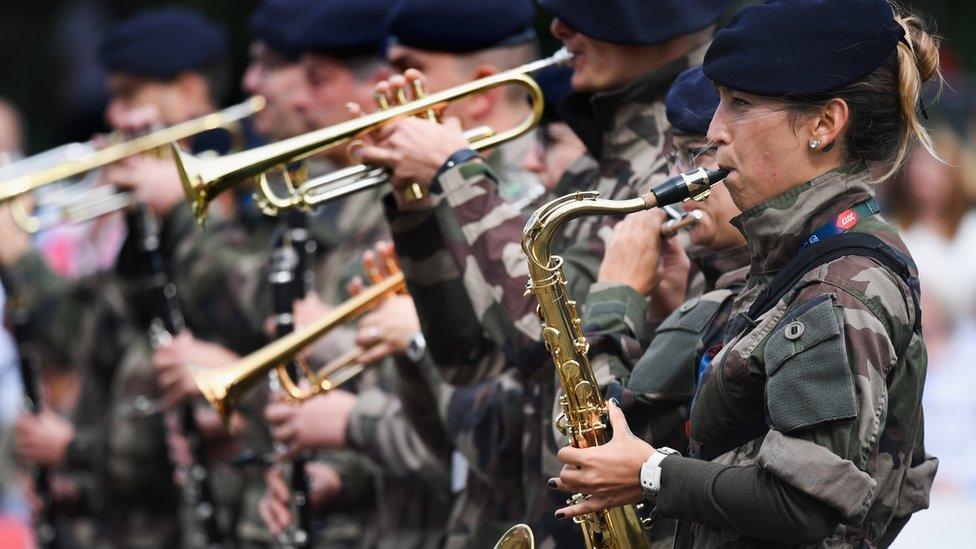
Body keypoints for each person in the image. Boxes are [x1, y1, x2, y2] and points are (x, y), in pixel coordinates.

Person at [550, 2, 939, 546]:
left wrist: (650, 475)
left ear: (824, 124)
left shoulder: (839, 282)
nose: (715, 131)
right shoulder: (791, 260)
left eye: (741, 105)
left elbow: (801, 503)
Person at [357, 0, 735, 542]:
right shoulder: (592, 165)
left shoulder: (682, 171)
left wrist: (455, 174)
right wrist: (416, 206)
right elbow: (471, 356)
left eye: (583, 11)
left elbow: (548, 348)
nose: (558, 28)